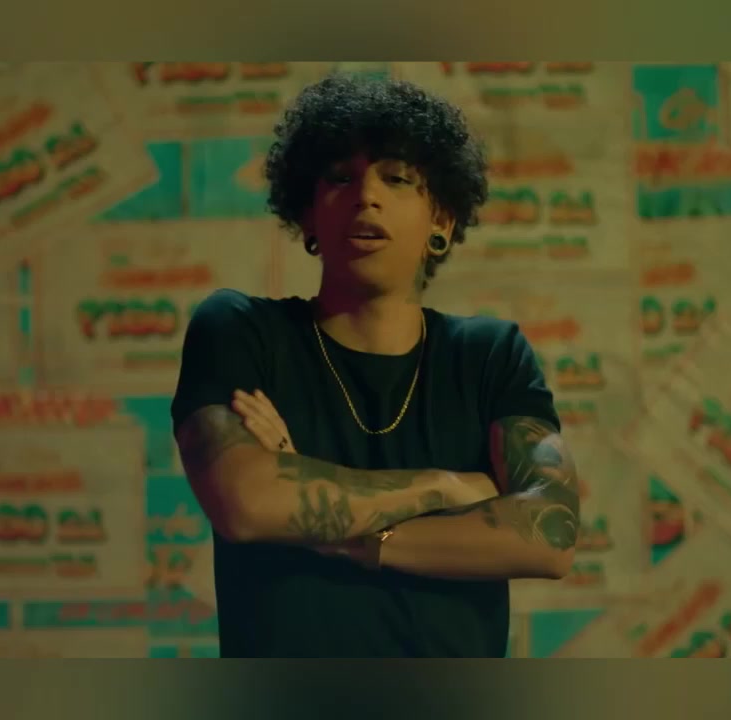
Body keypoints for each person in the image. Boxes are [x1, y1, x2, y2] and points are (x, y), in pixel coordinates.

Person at [170, 73, 580, 658]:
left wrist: (346, 536)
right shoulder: (240, 330)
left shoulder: (490, 355)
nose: (366, 195)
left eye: (397, 178)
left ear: (441, 221)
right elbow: (246, 502)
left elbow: (551, 534)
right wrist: (448, 486)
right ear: (308, 216)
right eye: (341, 177)